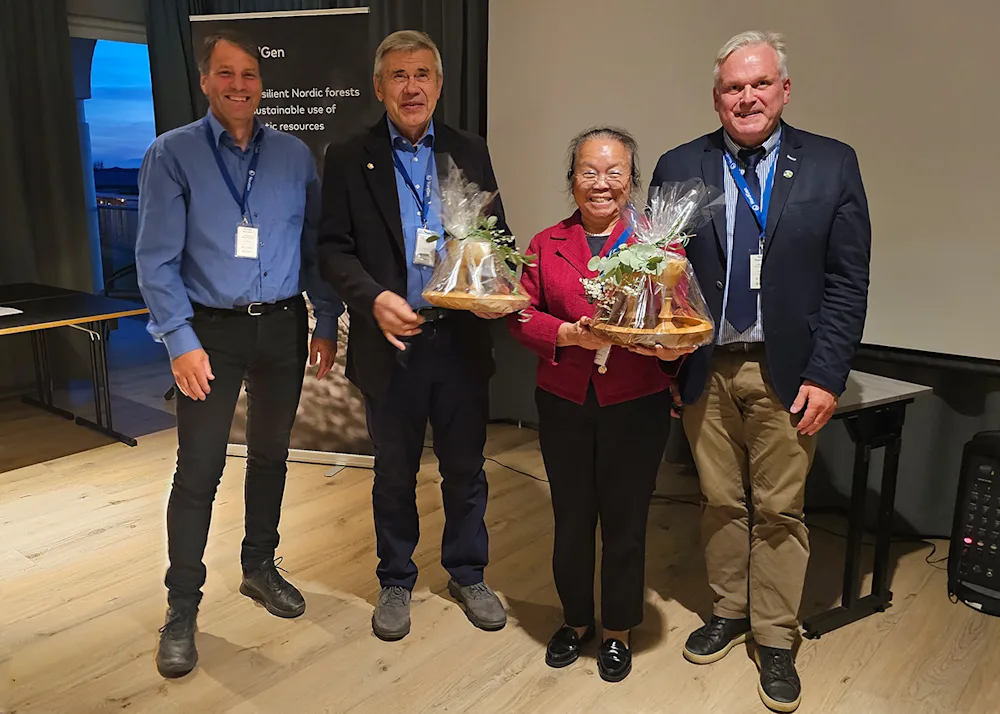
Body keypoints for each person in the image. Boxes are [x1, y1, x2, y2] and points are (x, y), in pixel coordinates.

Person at [650, 31, 871, 711]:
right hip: (703, 369)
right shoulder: (679, 163)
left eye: (759, 84)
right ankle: (730, 610)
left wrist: (828, 375)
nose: (746, 97)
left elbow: (848, 280)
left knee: (780, 509)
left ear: (783, 89)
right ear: (716, 96)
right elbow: (660, 274)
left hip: (790, 370)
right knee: (719, 501)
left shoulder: (833, 165)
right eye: (731, 88)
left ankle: (775, 637)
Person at [136, 30, 343, 678]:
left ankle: (259, 566)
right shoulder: (172, 155)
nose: (238, 85)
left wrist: (327, 319)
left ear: (261, 81)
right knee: (198, 472)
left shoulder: (292, 155)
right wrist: (180, 339)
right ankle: (181, 609)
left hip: (281, 325)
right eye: (225, 73)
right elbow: (156, 260)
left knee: (272, 456)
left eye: (248, 74)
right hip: (210, 333)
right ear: (205, 81)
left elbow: (312, 247)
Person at [317, 30, 507, 641]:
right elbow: (332, 250)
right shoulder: (349, 155)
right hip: (389, 344)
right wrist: (373, 298)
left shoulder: (469, 150)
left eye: (422, 74)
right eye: (398, 76)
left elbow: (495, 235)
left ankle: (467, 570)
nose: (411, 86)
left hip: (459, 340)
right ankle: (396, 577)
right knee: (394, 471)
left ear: (439, 84)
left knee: (465, 468)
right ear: (379, 87)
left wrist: (490, 285)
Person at [508, 127, 693, 682]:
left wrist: (672, 354)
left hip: (635, 403)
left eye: (615, 172)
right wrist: (567, 335)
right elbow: (520, 313)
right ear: (572, 181)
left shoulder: (660, 249)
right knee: (570, 516)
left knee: (626, 519)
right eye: (589, 171)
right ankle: (575, 619)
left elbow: (677, 324)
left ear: (632, 181)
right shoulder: (545, 244)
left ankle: (618, 628)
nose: (602, 183)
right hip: (564, 398)